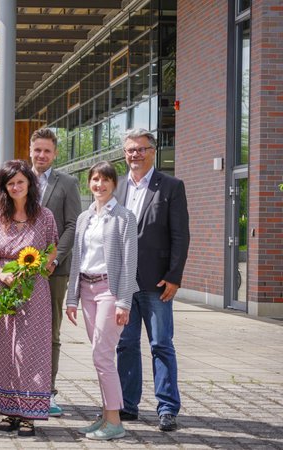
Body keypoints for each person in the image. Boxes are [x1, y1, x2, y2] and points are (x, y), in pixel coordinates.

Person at [115, 128, 190, 432]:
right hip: (123, 283)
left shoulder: (170, 186)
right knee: (126, 345)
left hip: (156, 282)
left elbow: (180, 235)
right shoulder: (117, 188)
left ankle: (167, 408)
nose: (135, 155)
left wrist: (174, 276)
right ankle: (127, 406)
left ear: (152, 151)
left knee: (161, 344)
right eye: (130, 150)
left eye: (141, 149)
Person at [0, 160, 58, 435]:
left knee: (30, 349)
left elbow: (51, 249)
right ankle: (9, 410)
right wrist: (2, 273)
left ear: (29, 184)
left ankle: (30, 412)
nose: (15, 187)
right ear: (4, 187)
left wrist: (43, 265)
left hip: (33, 289)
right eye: (10, 183)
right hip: (1, 286)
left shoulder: (45, 216)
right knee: (3, 349)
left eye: (20, 182)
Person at [66, 161, 138, 440]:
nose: (100, 184)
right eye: (95, 179)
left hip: (111, 290)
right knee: (100, 357)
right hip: (87, 290)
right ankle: (106, 415)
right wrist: (72, 298)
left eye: (105, 180)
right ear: (89, 183)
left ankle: (115, 422)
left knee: (102, 355)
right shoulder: (85, 218)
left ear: (114, 184)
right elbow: (77, 260)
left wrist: (124, 302)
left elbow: (130, 261)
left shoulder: (124, 217)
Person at [29, 128, 82, 416]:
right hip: (20, 269)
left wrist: (54, 258)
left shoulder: (68, 183)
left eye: (47, 151)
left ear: (55, 153)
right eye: (37, 150)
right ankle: (23, 387)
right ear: (30, 150)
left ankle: (46, 392)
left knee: (50, 331)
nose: (42, 155)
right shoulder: (18, 180)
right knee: (22, 332)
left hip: (54, 271)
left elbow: (73, 224)